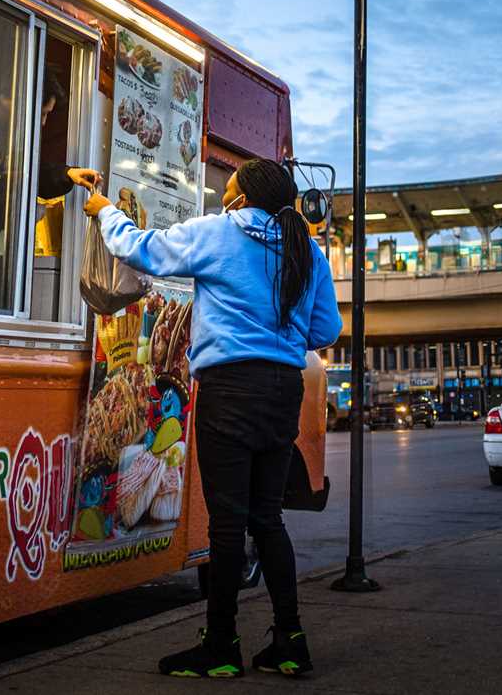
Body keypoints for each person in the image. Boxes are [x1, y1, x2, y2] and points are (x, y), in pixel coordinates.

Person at [83, 158, 342, 679]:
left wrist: (105, 209)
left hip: (230, 389)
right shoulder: (308, 252)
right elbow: (325, 331)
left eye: (228, 191)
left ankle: (221, 645)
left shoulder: (219, 234)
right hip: (281, 391)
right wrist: (278, 327)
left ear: (244, 199)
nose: (223, 198)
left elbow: (142, 249)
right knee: (267, 518)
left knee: (227, 523)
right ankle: (290, 642)